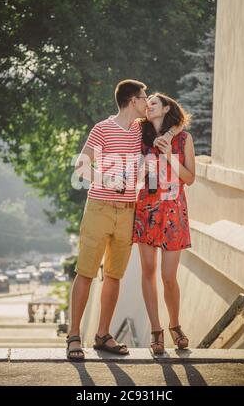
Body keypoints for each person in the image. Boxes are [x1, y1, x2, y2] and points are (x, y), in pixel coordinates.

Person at [67, 80, 182, 360]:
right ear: (133, 100)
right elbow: (80, 166)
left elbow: (175, 121)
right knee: (85, 273)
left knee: (114, 276)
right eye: (144, 98)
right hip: (99, 207)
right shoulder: (102, 128)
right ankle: (73, 337)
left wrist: (175, 130)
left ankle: (103, 334)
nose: (147, 102)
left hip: (128, 209)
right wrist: (106, 178)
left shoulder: (138, 130)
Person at [133, 92, 195, 354]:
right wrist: (140, 169)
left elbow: (190, 178)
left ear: (166, 107)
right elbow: (132, 171)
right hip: (146, 208)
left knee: (169, 276)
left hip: (174, 211)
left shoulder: (183, 138)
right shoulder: (139, 135)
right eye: (146, 104)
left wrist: (170, 154)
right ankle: (156, 331)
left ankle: (175, 325)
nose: (148, 107)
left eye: (153, 103)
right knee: (148, 271)